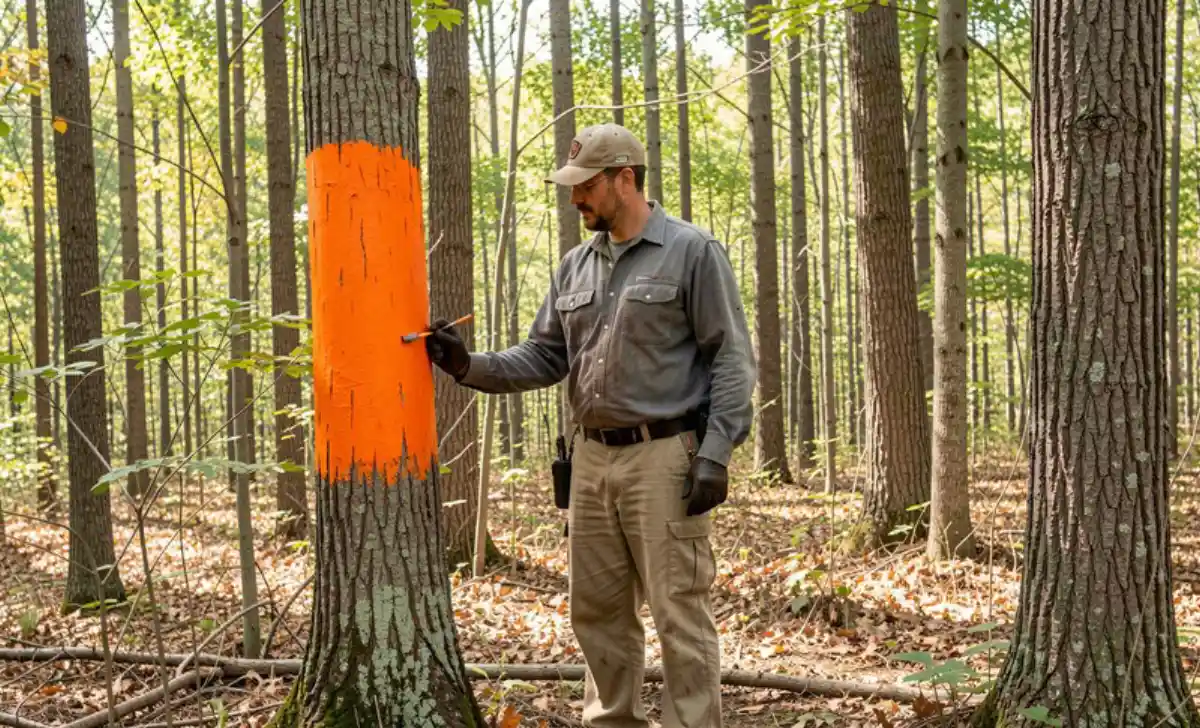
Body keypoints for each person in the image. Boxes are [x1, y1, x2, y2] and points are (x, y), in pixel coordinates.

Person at [426, 123, 755, 728]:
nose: (574, 198)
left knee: (678, 610)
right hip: (590, 460)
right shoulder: (575, 267)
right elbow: (545, 356)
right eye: (571, 186)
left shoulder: (692, 251)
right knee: (597, 613)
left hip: (666, 457)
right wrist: (469, 365)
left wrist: (716, 452)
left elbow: (731, 356)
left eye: (585, 187)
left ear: (624, 179)